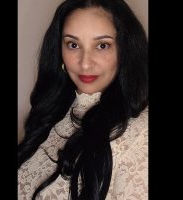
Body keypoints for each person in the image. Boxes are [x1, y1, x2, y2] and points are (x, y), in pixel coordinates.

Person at [18, 0, 148, 199]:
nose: (85, 63)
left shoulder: (141, 132)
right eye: (73, 44)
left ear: (125, 50)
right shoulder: (52, 114)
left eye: (102, 45)